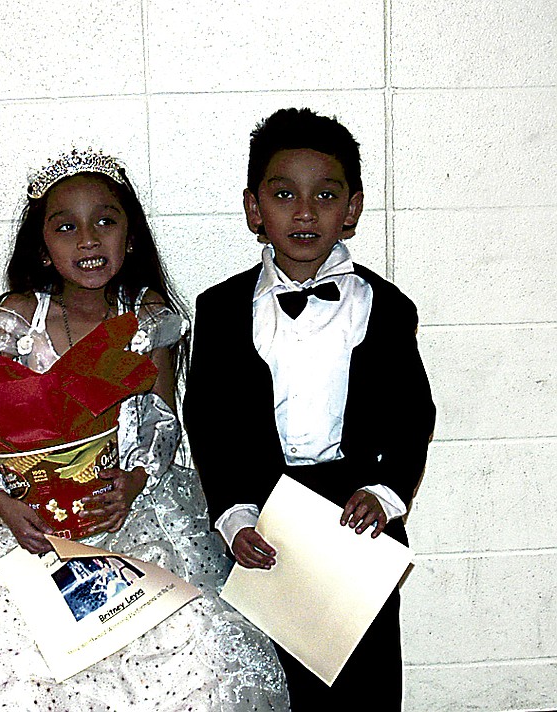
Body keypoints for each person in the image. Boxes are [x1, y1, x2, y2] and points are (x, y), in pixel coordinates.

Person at [0, 148, 289, 711]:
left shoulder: (149, 316)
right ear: (43, 248)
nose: (88, 240)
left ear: (130, 239)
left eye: (105, 222)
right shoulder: (16, 317)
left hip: (123, 505)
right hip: (22, 513)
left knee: (191, 653)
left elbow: (160, 415)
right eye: (67, 227)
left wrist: (133, 481)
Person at [183, 108, 436, 711]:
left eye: (325, 195)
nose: (304, 212)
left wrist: (386, 492)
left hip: (356, 515)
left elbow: (412, 414)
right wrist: (235, 515)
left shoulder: (389, 307)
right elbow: (209, 420)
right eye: (283, 194)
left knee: (364, 681)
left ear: (351, 209)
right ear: (254, 209)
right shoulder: (218, 309)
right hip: (264, 510)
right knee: (272, 682)